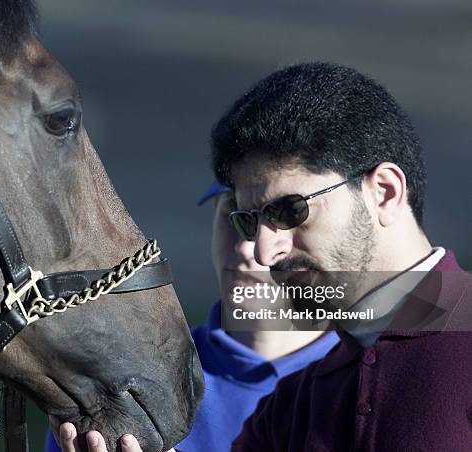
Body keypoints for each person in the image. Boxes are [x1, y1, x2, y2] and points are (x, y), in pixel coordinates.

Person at [58, 61, 472, 451]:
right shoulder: (290, 409)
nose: (263, 250)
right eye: (249, 221)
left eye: (290, 211)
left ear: (384, 193)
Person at [46, 179, 339, 452]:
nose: (246, 248)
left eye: (282, 217)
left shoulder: (370, 387)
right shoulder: (123, 389)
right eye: (235, 215)